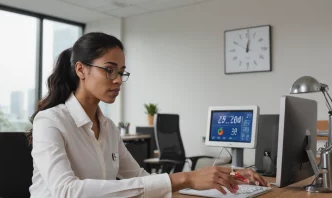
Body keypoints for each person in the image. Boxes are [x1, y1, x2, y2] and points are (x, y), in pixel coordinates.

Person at [28, 32, 268, 198]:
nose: (118, 80)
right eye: (109, 70)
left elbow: (140, 178)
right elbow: (66, 191)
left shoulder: (108, 127)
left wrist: (229, 175)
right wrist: (186, 179)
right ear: (81, 69)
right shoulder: (50, 121)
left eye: (122, 72)